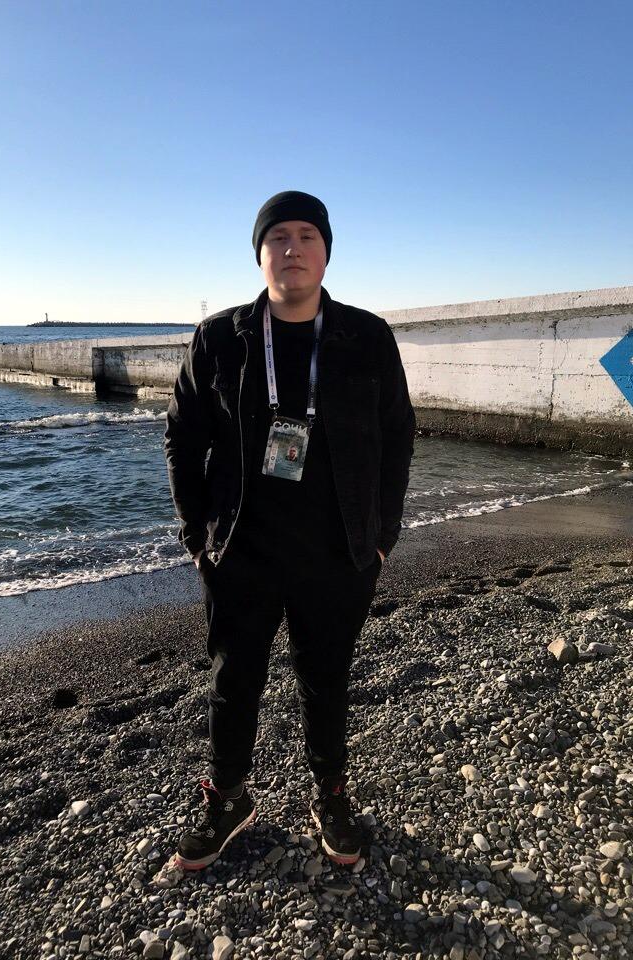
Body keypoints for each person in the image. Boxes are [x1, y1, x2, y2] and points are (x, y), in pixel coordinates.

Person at [164, 190, 415, 871]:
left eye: (307, 235)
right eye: (278, 237)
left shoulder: (367, 336)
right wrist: (197, 537)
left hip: (339, 550)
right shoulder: (220, 338)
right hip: (241, 548)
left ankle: (330, 793)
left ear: (326, 252)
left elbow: (398, 435)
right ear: (260, 254)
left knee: (326, 678)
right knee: (232, 680)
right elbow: (182, 437)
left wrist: (383, 535)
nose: (293, 248)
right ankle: (227, 799)